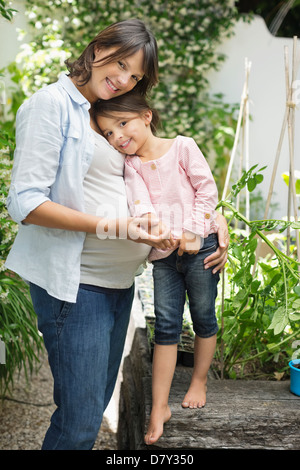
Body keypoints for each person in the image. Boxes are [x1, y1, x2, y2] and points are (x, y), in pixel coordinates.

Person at [5, 20, 228, 450]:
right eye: (121, 63)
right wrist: (119, 228)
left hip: (117, 286)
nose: (124, 79)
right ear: (99, 46)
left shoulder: (106, 110)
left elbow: (159, 181)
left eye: (135, 75)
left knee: (90, 408)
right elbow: (26, 204)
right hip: (76, 285)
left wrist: (210, 221)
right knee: (79, 423)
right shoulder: (50, 105)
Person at [93, 90, 224, 446]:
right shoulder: (130, 164)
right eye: (108, 133)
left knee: (202, 314)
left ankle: (199, 379)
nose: (118, 137)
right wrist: (158, 232)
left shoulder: (183, 146)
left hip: (202, 248)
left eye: (122, 124)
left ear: (146, 116)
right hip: (163, 256)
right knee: (165, 323)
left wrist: (195, 232)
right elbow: (141, 205)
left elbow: (206, 190)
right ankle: (159, 407)